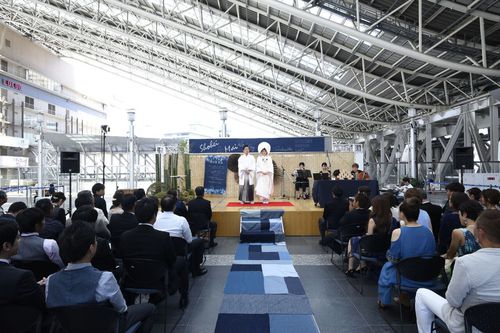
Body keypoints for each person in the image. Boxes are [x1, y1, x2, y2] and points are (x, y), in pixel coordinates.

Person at [45, 222, 155, 333]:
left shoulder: (50, 281)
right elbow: (122, 309)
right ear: (91, 248)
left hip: (66, 328)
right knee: (150, 308)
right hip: (103, 326)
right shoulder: (104, 279)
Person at [415, 210, 500, 333]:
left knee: (421, 294)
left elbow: (453, 301)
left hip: (469, 325)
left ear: (481, 233)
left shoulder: (466, 263)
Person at [120, 198, 188, 309]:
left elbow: (124, 258)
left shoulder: (125, 236)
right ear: (154, 216)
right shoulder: (163, 237)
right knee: (182, 262)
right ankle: (184, 296)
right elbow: (171, 260)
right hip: (158, 280)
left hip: (132, 279)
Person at [377, 197, 437, 308]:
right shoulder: (428, 232)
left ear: (402, 214)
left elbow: (393, 258)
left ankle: (384, 300)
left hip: (406, 276)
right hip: (428, 274)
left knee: (387, 268)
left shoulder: (398, 232)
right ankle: (404, 298)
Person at [155, 195, 207, 277]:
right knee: (199, 242)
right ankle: (196, 269)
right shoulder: (181, 220)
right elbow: (189, 240)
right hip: (179, 250)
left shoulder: (155, 219)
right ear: (174, 207)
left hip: (160, 250)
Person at [0, 220, 45, 310]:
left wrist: (33, 286)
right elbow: (40, 302)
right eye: (18, 238)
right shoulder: (21, 276)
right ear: (7, 246)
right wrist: (37, 288)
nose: (20, 241)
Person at [346, 195, 392, 277]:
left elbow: (369, 238)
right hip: (385, 248)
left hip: (372, 249)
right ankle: (361, 265)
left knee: (353, 240)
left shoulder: (373, 220)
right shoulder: (391, 218)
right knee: (358, 240)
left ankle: (351, 268)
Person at [72, 206, 116, 272]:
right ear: (93, 223)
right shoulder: (100, 242)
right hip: (99, 274)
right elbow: (111, 264)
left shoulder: (67, 239)